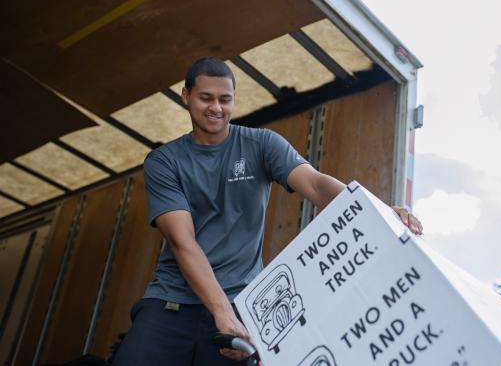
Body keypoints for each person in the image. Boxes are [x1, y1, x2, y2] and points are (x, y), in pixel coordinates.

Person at [112, 57, 422, 365]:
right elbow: (183, 241)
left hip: (241, 301)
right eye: (206, 97)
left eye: (225, 99)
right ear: (186, 96)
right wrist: (221, 311)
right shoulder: (164, 161)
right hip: (172, 299)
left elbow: (315, 185)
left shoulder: (260, 144)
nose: (216, 108)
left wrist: (378, 210)